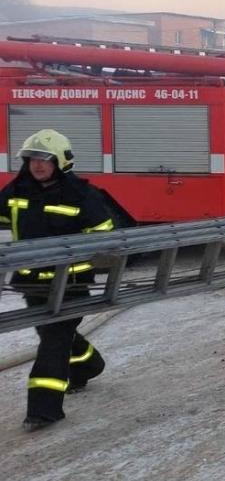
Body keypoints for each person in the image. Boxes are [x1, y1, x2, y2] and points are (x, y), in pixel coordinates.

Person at [0, 130, 113, 432]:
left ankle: (43, 410)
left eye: (45, 159)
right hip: (31, 284)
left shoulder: (81, 194)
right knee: (58, 337)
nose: (37, 165)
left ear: (60, 161)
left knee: (53, 341)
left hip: (71, 286)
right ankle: (89, 365)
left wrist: (80, 260)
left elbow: (104, 235)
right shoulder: (17, 190)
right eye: (32, 159)